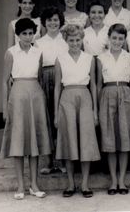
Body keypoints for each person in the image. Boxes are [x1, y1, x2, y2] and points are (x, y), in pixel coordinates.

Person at [1, 18, 51, 200]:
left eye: (31, 33)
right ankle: (20, 185)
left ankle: (34, 184)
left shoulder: (38, 52)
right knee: (19, 140)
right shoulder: (11, 52)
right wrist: (6, 108)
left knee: (34, 142)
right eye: (24, 34)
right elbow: (5, 81)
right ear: (17, 35)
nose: (28, 37)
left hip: (35, 95)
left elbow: (38, 76)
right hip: (18, 96)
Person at [54, 24, 100, 198]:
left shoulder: (89, 58)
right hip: (66, 98)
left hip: (85, 96)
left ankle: (85, 184)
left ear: (82, 40)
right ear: (66, 41)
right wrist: (56, 112)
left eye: (78, 40)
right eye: (71, 40)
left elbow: (94, 84)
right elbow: (57, 86)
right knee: (69, 140)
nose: (75, 43)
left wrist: (95, 110)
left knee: (86, 141)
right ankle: (71, 184)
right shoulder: (60, 59)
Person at [97, 24, 130, 195]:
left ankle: (122, 180)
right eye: (114, 38)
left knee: (124, 139)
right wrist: (98, 106)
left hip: (126, 95)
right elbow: (98, 84)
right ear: (109, 38)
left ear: (124, 40)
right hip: (107, 94)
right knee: (110, 140)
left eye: (120, 38)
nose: (117, 41)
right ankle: (113, 180)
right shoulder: (100, 58)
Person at [35, 7, 68, 175]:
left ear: (60, 21)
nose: (53, 23)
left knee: (61, 118)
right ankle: (47, 161)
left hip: (63, 80)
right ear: (44, 23)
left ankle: (62, 160)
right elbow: (38, 66)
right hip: (46, 79)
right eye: (49, 20)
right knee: (46, 119)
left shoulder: (66, 40)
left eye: (55, 19)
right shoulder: (39, 42)